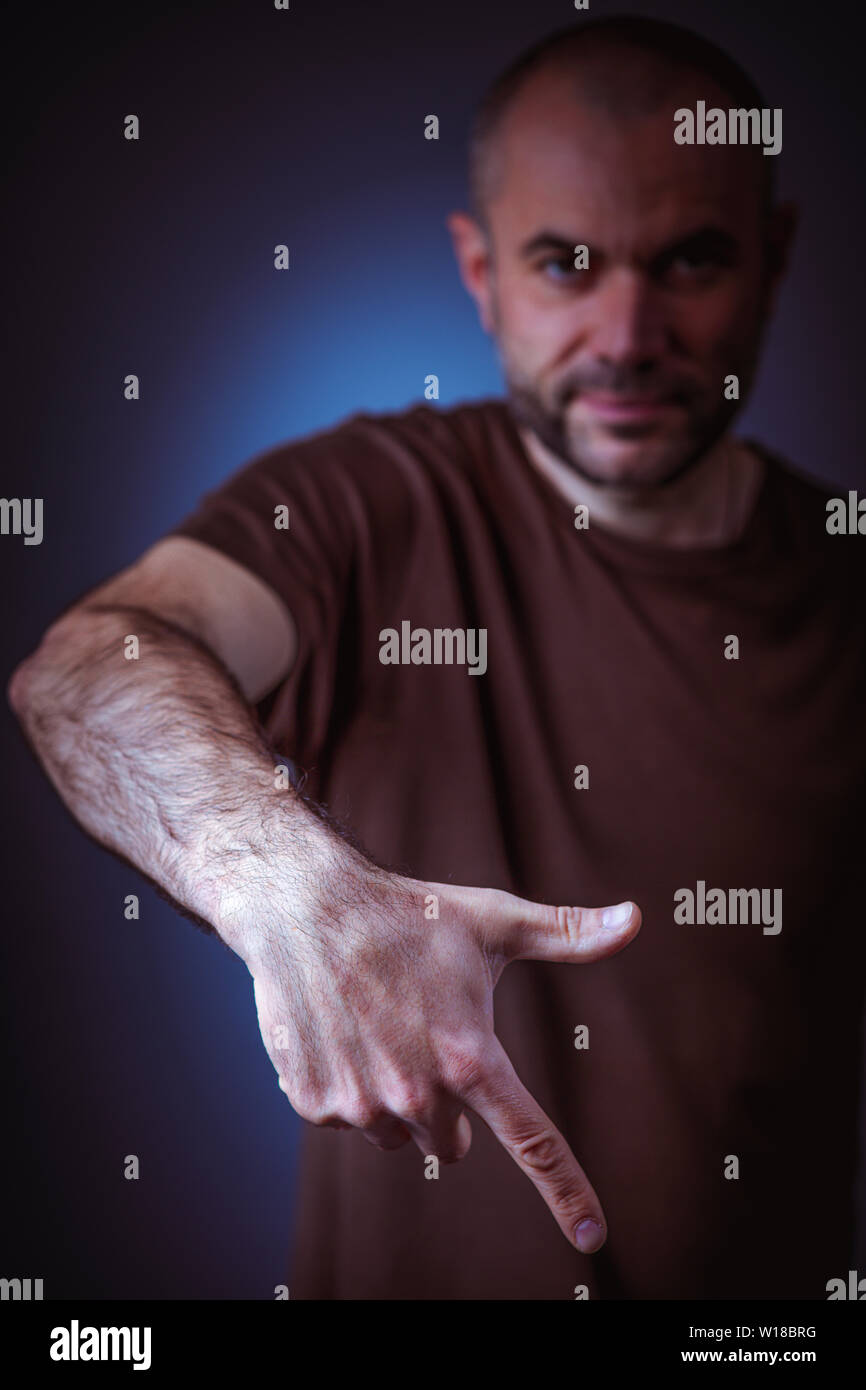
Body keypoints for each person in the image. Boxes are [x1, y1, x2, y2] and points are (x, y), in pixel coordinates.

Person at [8, 16, 866, 1300]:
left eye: (688, 261)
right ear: (478, 272)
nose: (627, 334)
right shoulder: (369, 500)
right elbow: (82, 671)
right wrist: (282, 877)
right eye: (563, 266)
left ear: (774, 257)